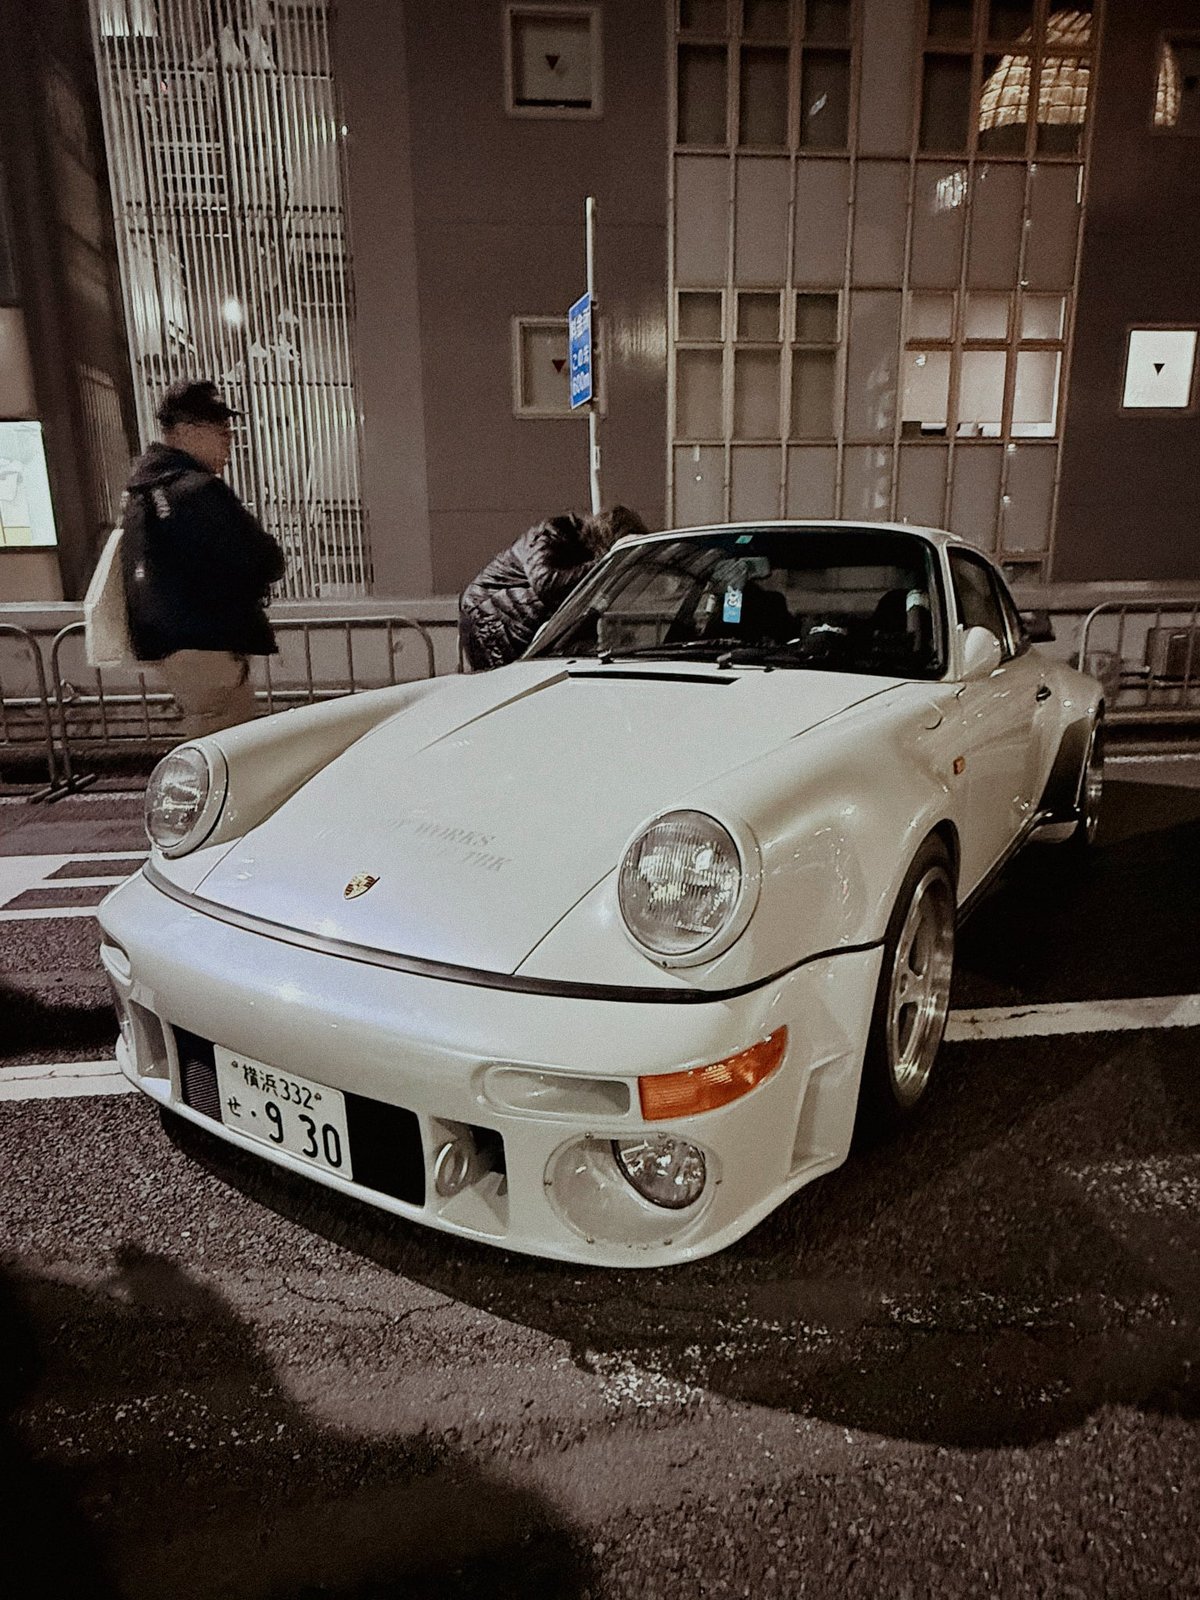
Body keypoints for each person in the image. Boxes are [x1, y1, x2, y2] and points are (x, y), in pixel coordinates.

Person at [120, 378, 286, 738]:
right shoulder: (196, 491)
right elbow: (262, 557)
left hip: (173, 647)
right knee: (227, 752)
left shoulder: (145, 491)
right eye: (221, 431)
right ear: (185, 431)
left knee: (209, 739)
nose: (228, 442)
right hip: (209, 646)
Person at [458, 504, 649, 671]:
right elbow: (546, 584)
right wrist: (608, 562)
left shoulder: (581, 551)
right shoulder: (553, 531)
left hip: (506, 616)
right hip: (490, 615)